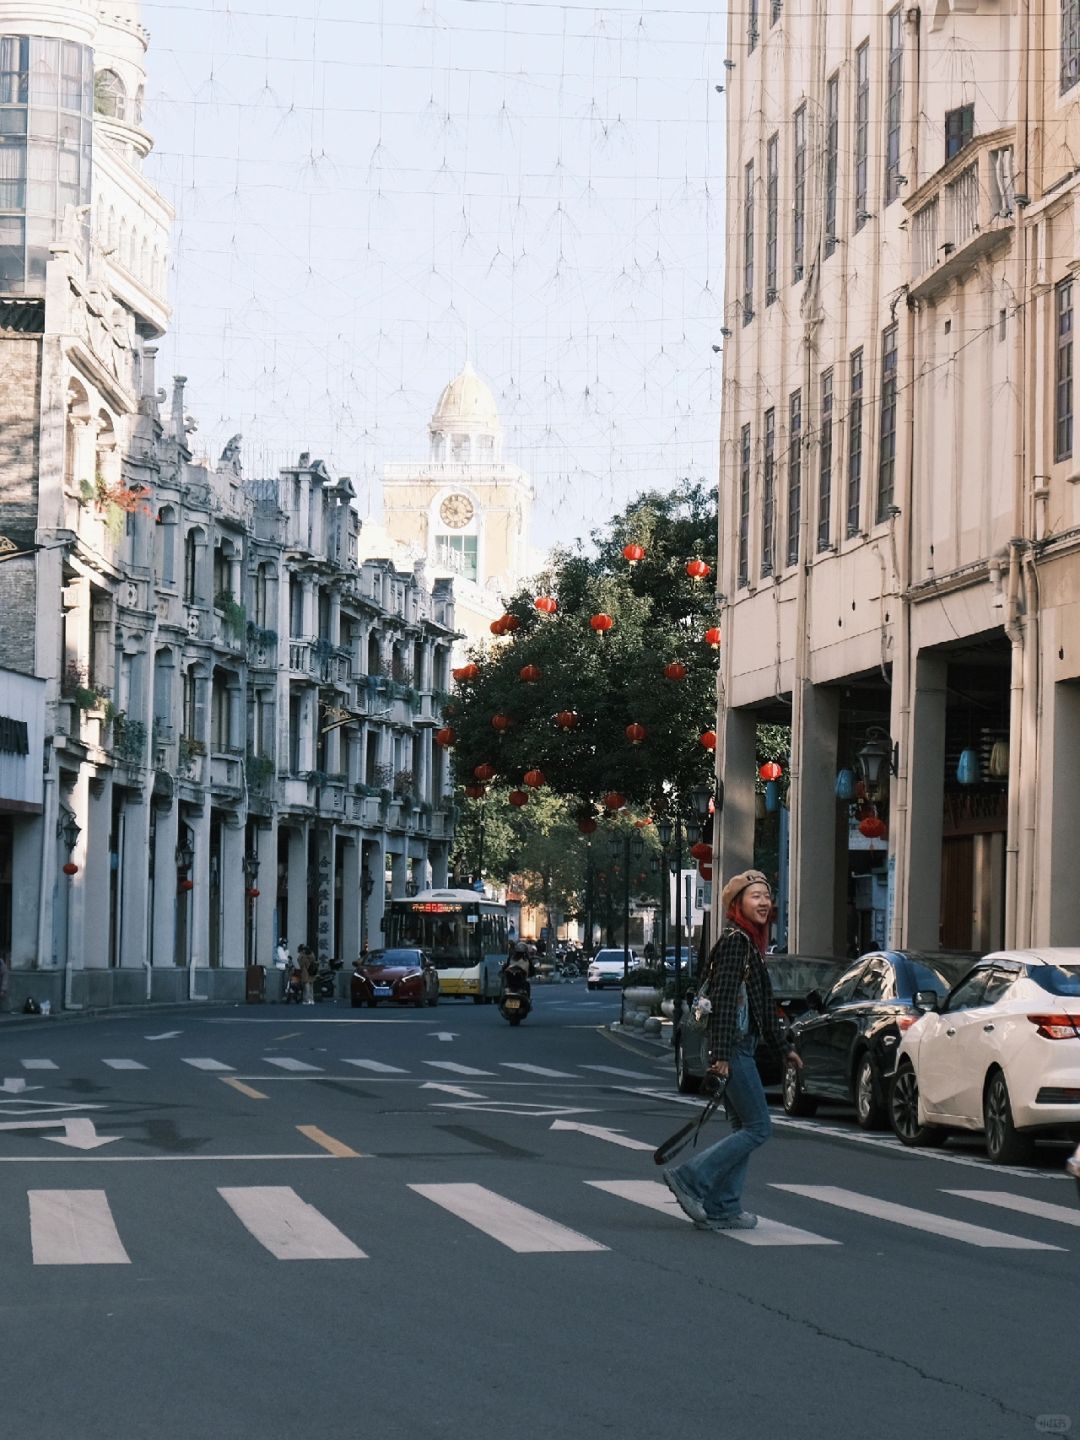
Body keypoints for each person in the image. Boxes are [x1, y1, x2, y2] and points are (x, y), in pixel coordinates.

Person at [662, 869, 802, 1232]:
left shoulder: (749, 945)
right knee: (758, 1127)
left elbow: (761, 1005)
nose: (765, 902)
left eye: (767, 897)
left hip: (741, 1046)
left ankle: (724, 1206)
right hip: (734, 1049)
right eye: (756, 896)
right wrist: (721, 1057)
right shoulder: (735, 944)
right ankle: (691, 1178)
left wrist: (783, 1047)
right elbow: (724, 1002)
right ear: (737, 904)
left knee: (744, 1126)